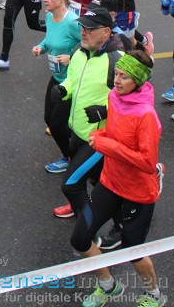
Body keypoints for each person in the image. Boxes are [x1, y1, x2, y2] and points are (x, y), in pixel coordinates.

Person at [69, 52, 165, 307]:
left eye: (124, 76)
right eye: (116, 74)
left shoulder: (146, 115)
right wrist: (101, 134)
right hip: (110, 183)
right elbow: (114, 133)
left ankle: (154, 294)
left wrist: (106, 144)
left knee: (133, 250)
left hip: (138, 192)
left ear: (138, 80)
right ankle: (108, 286)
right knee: (79, 239)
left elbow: (146, 162)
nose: (117, 80)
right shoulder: (114, 97)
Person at [50, 7, 121, 220]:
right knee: (97, 180)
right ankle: (117, 219)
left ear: (106, 32)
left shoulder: (118, 60)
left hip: (98, 139)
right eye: (82, 27)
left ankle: (89, 226)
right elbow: (73, 80)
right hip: (77, 131)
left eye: (90, 29)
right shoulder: (79, 53)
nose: (83, 32)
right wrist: (64, 89)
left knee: (70, 184)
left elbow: (136, 102)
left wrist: (105, 111)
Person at [36, 0, 82, 174]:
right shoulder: (49, 17)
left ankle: (70, 158)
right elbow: (50, 40)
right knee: (49, 118)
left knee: (57, 124)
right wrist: (41, 47)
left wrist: (71, 57)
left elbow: (89, 45)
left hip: (70, 80)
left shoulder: (72, 22)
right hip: (56, 75)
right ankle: (78, 147)